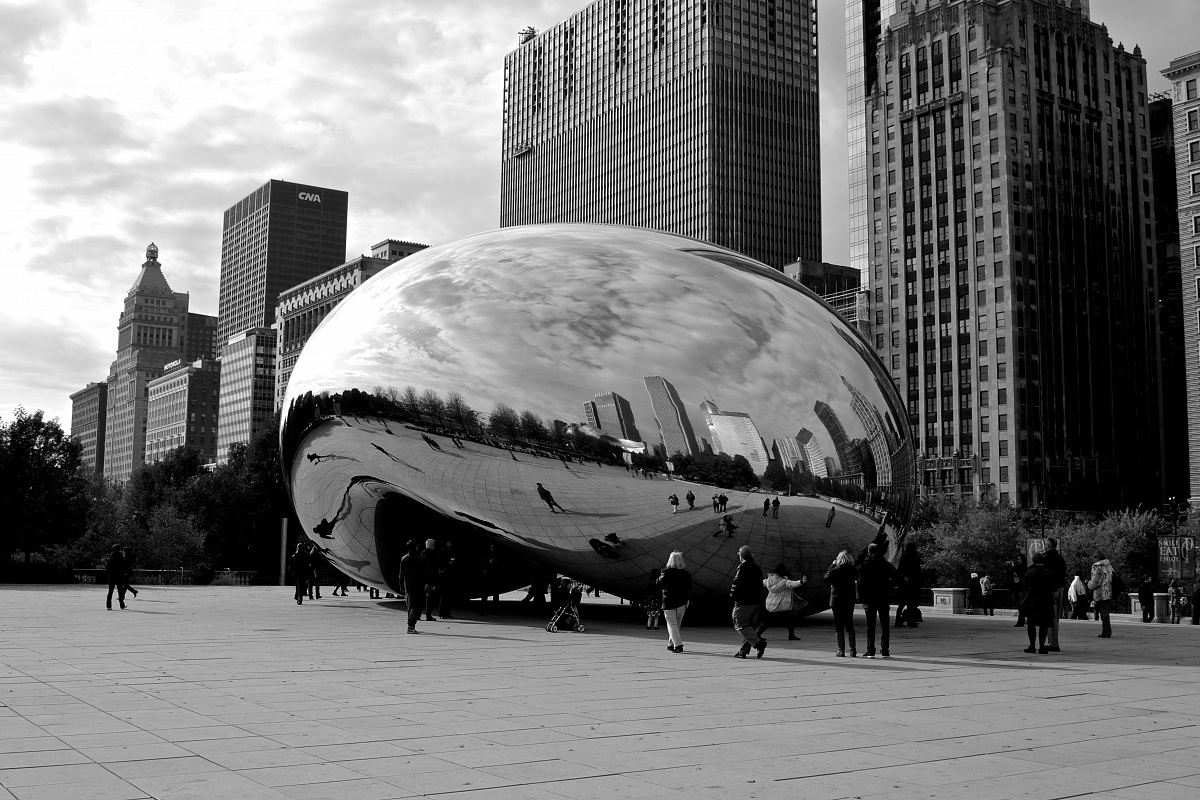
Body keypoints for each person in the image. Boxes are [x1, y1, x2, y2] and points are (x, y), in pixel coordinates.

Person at [857, 542, 896, 658]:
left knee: (870, 626)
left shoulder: (864, 565)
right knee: (885, 625)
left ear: (868, 551)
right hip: (883, 597)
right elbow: (896, 578)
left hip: (869, 598)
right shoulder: (886, 565)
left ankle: (870, 650)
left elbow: (860, 583)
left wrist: (861, 598)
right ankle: (885, 650)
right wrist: (889, 586)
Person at [730, 545, 767, 659]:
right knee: (750, 627)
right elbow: (760, 585)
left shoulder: (742, 567)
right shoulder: (757, 567)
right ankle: (743, 651)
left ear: (741, 555)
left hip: (743, 602)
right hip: (755, 601)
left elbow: (736, 583)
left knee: (740, 624)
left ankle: (759, 644)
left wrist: (733, 595)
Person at [756, 563, 807, 641]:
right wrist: (801, 581)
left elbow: (761, 583)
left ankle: (757, 634)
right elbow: (793, 584)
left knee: (768, 621)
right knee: (790, 619)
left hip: (772, 604)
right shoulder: (784, 581)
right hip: (782, 605)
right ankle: (791, 635)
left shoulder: (769, 579)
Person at [1018, 552, 1058, 654]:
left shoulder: (1029, 572)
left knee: (1031, 624)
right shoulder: (1049, 573)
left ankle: (1032, 645)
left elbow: (1024, 587)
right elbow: (1054, 587)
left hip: (1032, 602)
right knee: (1043, 625)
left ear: (1033, 560)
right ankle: (1042, 647)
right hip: (1046, 601)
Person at [824, 550, 858, 657]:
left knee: (838, 624)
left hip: (837, 599)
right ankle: (853, 650)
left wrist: (832, 565)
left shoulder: (835, 570)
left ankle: (841, 650)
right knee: (849, 623)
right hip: (849, 599)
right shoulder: (853, 570)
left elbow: (825, 578)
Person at [657, 551, 692, 653]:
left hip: (668, 602)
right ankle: (670, 644)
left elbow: (659, 584)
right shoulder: (686, 574)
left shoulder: (666, 573)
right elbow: (689, 588)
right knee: (677, 624)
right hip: (681, 601)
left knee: (672, 624)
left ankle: (678, 645)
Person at [1042, 537, 1067, 652]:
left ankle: (1053, 643)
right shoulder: (1060, 558)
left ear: (1048, 545)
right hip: (1060, 589)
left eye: (1045, 544)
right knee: (1056, 617)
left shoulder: (1047, 559)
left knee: (1050, 616)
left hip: (1051, 590)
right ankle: (1052, 641)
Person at [400, 540, 429, 634]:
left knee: (410, 605)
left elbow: (401, 574)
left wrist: (401, 586)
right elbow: (425, 573)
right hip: (418, 585)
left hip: (408, 585)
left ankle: (411, 625)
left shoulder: (404, 558)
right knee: (417, 606)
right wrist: (428, 583)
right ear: (416, 547)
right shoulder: (420, 559)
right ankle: (411, 626)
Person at [894, 542, 923, 627]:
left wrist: (904, 578)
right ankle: (911, 621)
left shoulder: (903, 557)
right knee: (911, 604)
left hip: (904, 584)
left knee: (902, 603)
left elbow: (900, 569)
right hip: (913, 584)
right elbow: (917, 571)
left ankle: (898, 621)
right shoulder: (915, 557)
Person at [1087, 551, 1114, 638]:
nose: (1094, 558)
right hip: (1108, 591)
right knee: (1105, 612)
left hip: (1100, 593)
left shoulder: (1098, 566)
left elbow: (1096, 581)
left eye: (1095, 556)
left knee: (1103, 613)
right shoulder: (1109, 566)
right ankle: (1106, 631)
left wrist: (1089, 585)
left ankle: (1106, 631)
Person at [105, 544, 129, 610]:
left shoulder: (110, 558)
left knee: (110, 591)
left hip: (111, 576)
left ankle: (109, 606)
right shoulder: (121, 557)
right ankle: (122, 605)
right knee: (120, 591)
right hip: (119, 576)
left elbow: (107, 568)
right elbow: (124, 566)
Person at [422, 539, 439, 621]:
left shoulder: (422, 554)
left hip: (423, 578)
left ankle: (418, 614)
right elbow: (432, 567)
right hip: (430, 579)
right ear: (431, 546)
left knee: (421, 597)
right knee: (429, 598)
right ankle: (428, 615)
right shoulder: (431, 554)